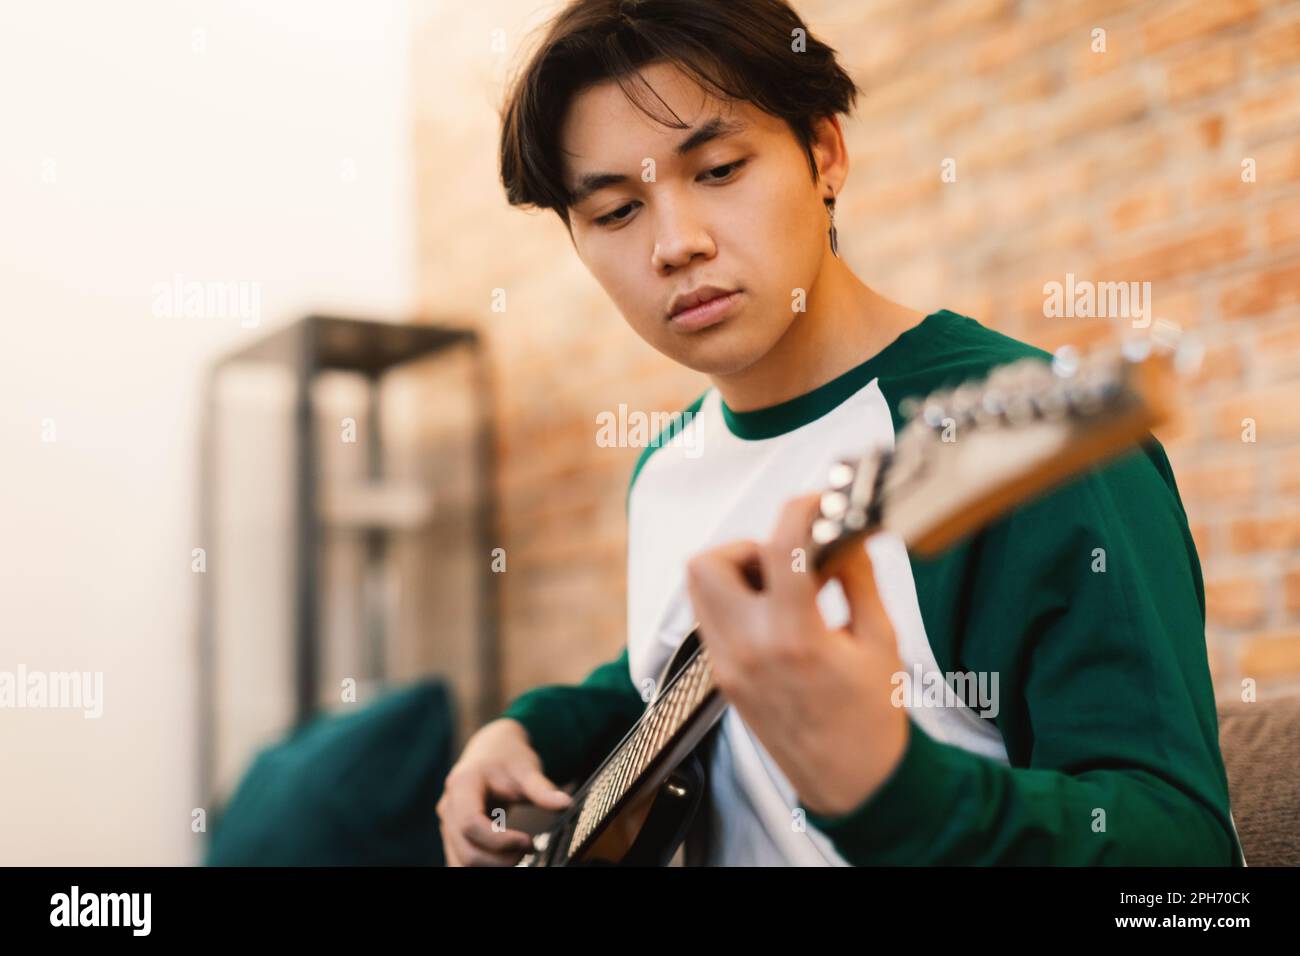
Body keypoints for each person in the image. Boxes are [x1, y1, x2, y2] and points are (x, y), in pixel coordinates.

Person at [436, 0, 1243, 866]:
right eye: (615, 212)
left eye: (717, 168)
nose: (676, 244)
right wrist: (526, 731)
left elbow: (1188, 868)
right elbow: (660, 670)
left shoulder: (1049, 458)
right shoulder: (665, 467)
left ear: (824, 154)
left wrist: (893, 793)